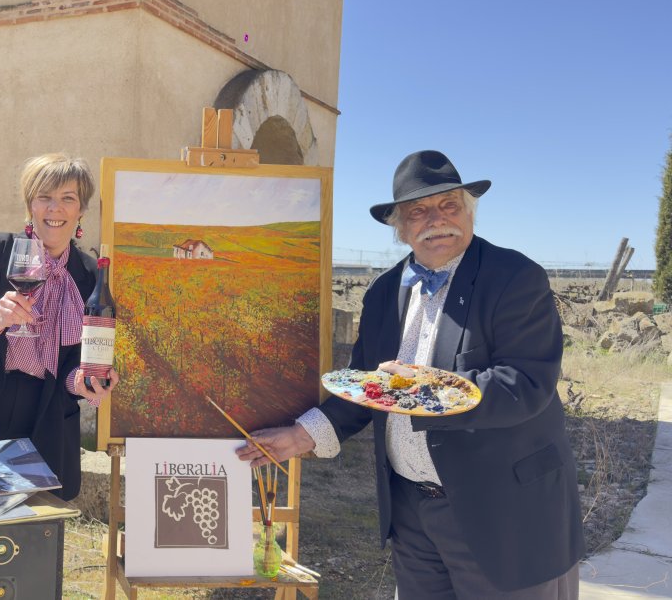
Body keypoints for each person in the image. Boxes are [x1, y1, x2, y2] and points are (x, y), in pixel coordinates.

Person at [238, 150, 584, 599]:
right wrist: (301, 435)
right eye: (419, 211)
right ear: (400, 227)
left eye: (449, 206)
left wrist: (421, 391)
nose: (436, 220)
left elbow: (525, 385)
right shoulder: (384, 292)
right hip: (412, 514)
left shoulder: (515, 277)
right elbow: (364, 383)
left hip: (504, 514)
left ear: (468, 212)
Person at [0, 153, 117, 501]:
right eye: (44, 197)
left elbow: (76, 361)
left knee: (30, 543)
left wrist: (82, 380)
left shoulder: (91, 275)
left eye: (67, 199)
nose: (54, 208)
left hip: (44, 422)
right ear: (30, 204)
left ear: (81, 211)